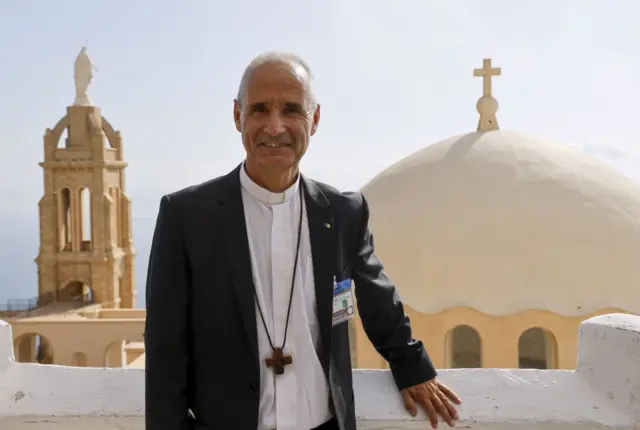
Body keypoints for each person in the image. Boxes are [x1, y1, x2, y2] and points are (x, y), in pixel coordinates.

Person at [144, 51, 462, 430]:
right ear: (237, 116)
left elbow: (377, 298)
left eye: (292, 110)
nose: (275, 127)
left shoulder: (343, 212)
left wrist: (413, 368)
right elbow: (165, 346)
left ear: (314, 119)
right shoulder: (187, 216)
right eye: (260, 109)